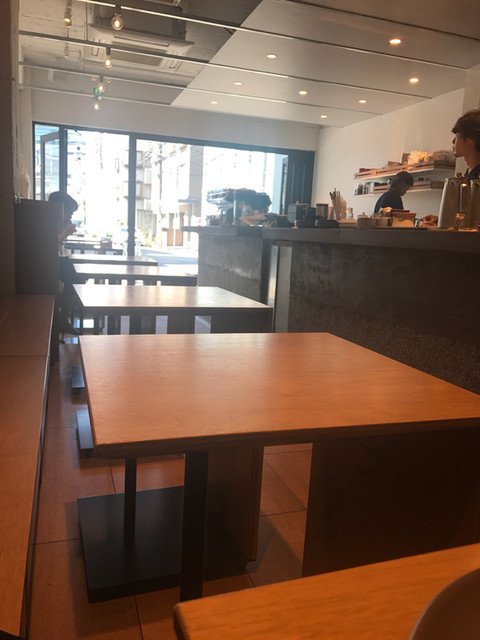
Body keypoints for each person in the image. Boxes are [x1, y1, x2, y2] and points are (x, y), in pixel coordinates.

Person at [421, 109, 480, 227]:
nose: (453, 141)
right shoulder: (469, 175)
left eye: (457, 135)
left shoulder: (476, 178)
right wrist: (441, 222)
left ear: (471, 139)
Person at [49, 191, 81, 337]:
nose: (70, 216)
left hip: (50, 262)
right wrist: (64, 233)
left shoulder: (54, 222)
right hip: (41, 267)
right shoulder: (43, 221)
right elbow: (46, 247)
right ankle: (61, 319)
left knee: (75, 279)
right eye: (70, 212)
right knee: (75, 280)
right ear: (60, 209)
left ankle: (62, 319)